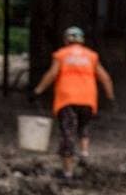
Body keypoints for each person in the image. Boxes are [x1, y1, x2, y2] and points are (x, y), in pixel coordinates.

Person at [33, 26, 114, 181]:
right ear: (81, 40)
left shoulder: (61, 55)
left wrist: (38, 90)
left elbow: (52, 74)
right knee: (83, 126)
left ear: (66, 40)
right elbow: (105, 78)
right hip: (88, 99)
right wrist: (110, 98)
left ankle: (68, 173)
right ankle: (84, 153)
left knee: (68, 134)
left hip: (67, 99)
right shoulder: (91, 56)